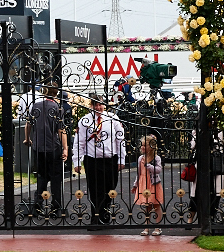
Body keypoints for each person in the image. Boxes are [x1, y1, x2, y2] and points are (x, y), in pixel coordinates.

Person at [73, 95, 125, 230]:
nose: (98, 108)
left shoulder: (112, 118)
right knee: (95, 190)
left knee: (110, 188)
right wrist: (76, 161)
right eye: (95, 105)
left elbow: (120, 139)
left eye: (100, 104)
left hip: (110, 159)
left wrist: (122, 158)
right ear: (90, 106)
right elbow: (80, 142)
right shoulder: (85, 120)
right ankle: (96, 218)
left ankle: (104, 215)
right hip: (93, 160)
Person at [24, 84, 68, 217]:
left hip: (39, 146)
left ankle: (37, 206)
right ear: (56, 93)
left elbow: (28, 124)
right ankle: (56, 208)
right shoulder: (57, 107)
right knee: (55, 178)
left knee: (41, 177)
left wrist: (27, 139)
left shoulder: (36, 106)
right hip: (52, 146)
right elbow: (61, 130)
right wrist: (65, 148)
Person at [131, 134, 163, 236]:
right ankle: (146, 227)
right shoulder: (141, 158)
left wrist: (148, 166)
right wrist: (135, 185)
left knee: (156, 205)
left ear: (152, 146)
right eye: (142, 145)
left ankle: (158, 227)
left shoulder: (156, 158)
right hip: (143, 183)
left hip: (153, 183)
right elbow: (139, 173)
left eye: (145, 145)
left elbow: (158, 170)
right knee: (147, 206)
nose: (142, 147)